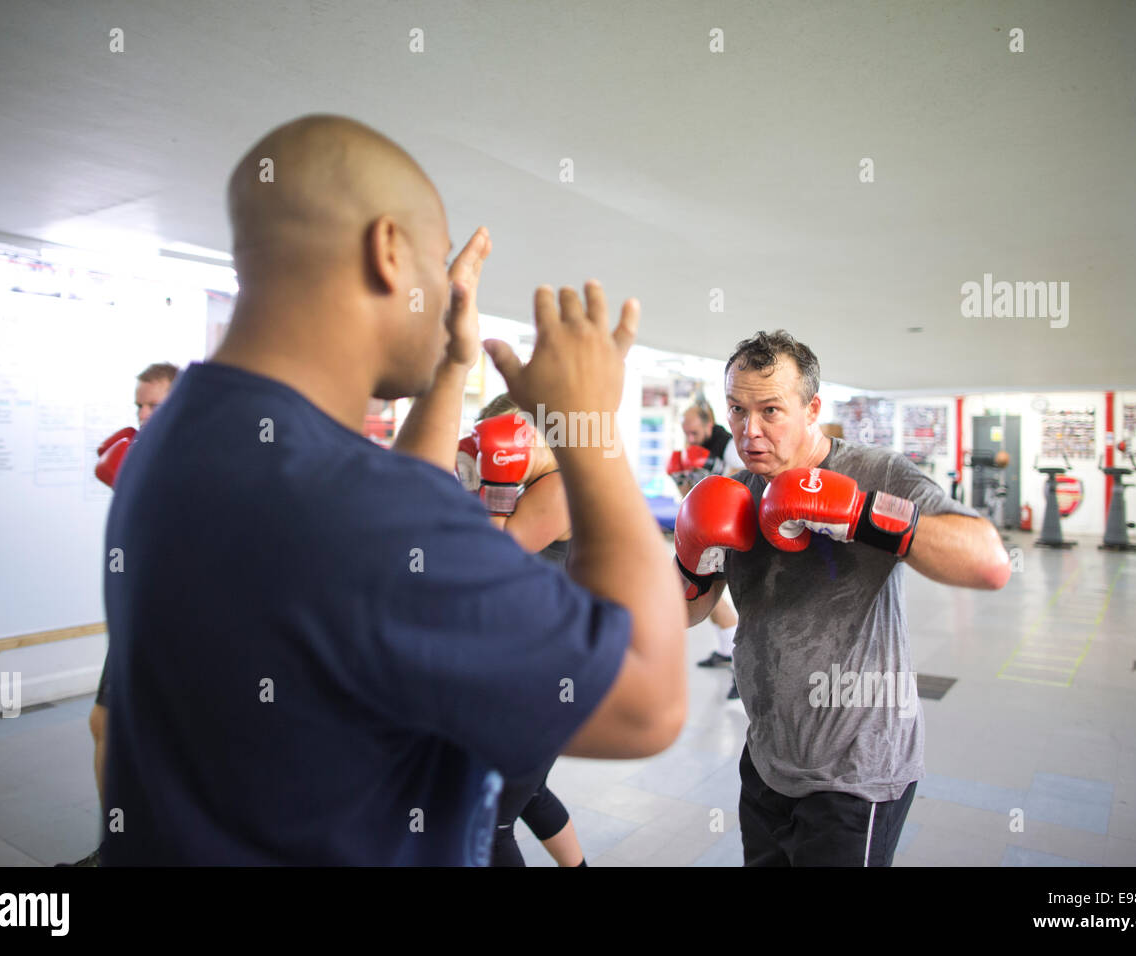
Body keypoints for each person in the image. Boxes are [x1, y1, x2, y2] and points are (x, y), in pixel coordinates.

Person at [99, 115, 686, 865]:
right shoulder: (353, 508)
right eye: (436, 263)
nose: (445, 290)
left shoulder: (182, 432)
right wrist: (588, 431)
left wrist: (450, 364)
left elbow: (383, 524)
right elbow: (650, 701)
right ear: (386, 251)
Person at [677, 330, 1010, 867]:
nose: (749, 430)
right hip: (767, 758)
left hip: (856, 772)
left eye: (770, 411)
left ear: (812, 409)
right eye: (737, 409)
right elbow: (686, 613)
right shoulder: (736, 490)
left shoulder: (876, 473)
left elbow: (989, 562)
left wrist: (864, 515)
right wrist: (691, 559)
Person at [64, 362, 179, 868]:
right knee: (104, 723)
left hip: (181, 619)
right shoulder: (141, 456)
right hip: (141, 612)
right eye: (139, 405)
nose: (143, 414)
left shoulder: (198, 458)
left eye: (154, 404)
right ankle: (119, 845)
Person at [468, 395, 585, 867]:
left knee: (490, 823)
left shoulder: (556, 489)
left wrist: (493, 485)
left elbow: (489, 561)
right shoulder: (539, 480)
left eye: (500, 451)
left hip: (540, 677)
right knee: (529, 790)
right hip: (534, 661)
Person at [669, 403, 744, 699]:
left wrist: (712, 473)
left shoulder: (729, 447)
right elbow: (688, 496)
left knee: (741, 603)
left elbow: (742, 484)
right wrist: (681, 479)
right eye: (686, 432)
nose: (690, 437)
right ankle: (728, 652)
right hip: (700, 527)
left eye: (694, 431)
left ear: (709, 423)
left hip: (732, 527)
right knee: (702, 595)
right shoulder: (693, 447)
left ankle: (742, 668)